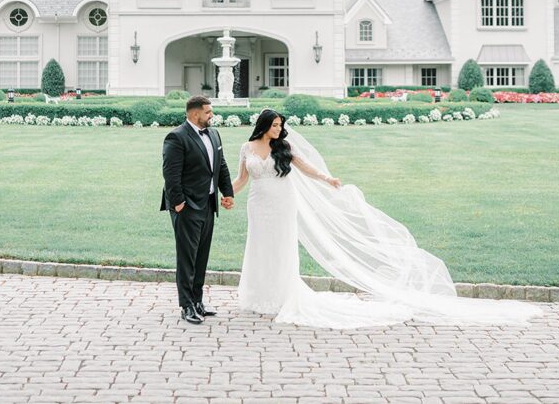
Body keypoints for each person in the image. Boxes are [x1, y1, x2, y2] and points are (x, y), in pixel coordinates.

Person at [232, 108, 543, 328]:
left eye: (280, 126)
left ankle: (281, 295)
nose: (279, 129)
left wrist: (327, 179)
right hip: (258, 204)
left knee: (281, 249)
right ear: (264, 126)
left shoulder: (284, 147)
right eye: (275, 125)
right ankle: (260, 295)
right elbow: (242, 179)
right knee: (259, 247)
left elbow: (306, 167)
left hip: (283, 203)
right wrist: (225, 194)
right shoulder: (247, 147)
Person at [160, 95, 235, 325]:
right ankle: (186, 306)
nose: (212, 115)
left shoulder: (214, 134)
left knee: (201, 256)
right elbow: (171, 174)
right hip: (187, 206)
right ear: (195, 114)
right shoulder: (176, 137)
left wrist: (228, 192)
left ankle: (198, 301)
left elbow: (221, 164)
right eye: (208, 112)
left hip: (208, 204)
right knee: (187, 258)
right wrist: (178, 203)